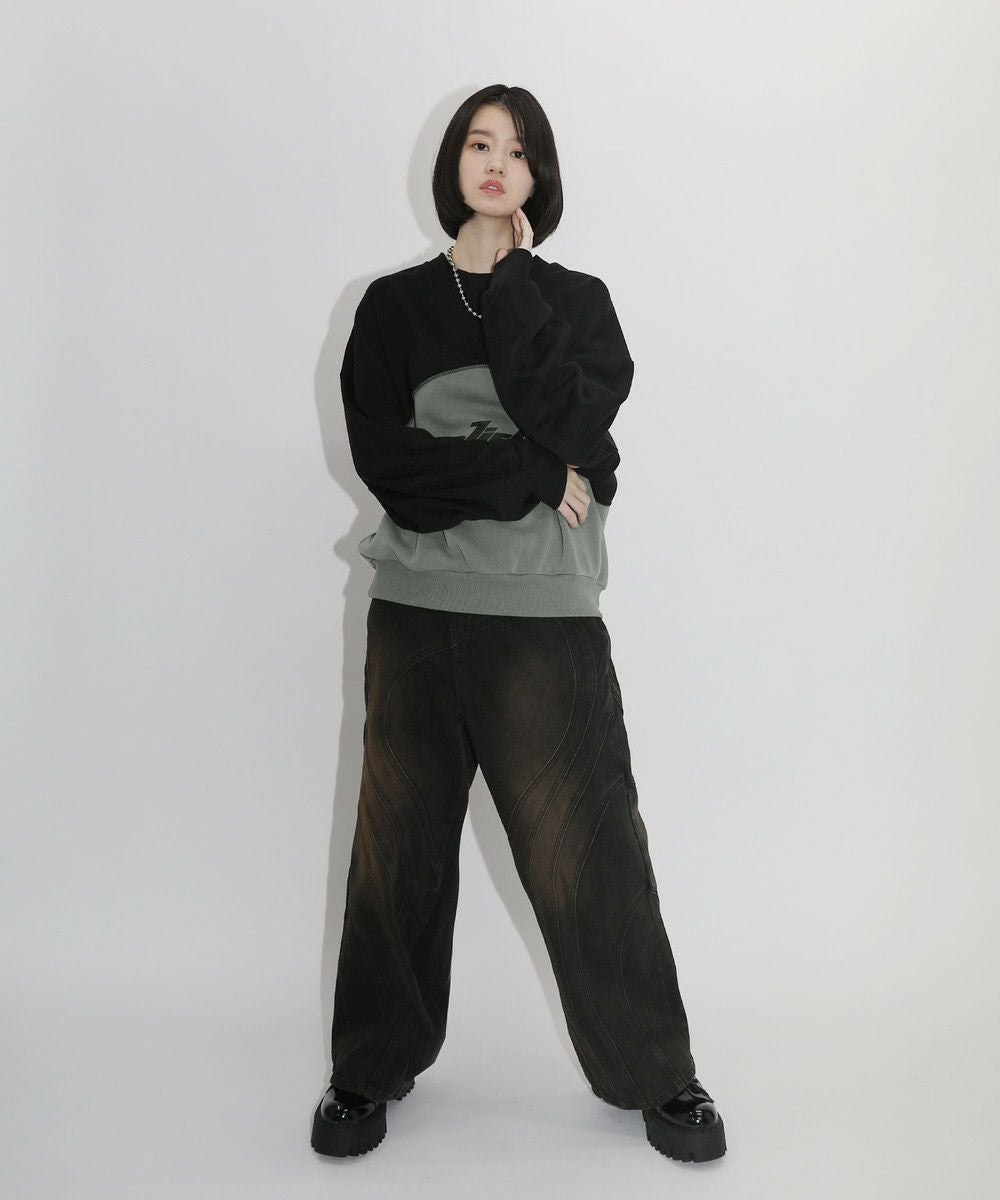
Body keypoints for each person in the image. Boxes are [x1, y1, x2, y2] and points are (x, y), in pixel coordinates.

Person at [310, 83, 727, 1164]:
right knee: (396, 850)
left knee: (589, 850)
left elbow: (581, 427)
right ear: (453, 163)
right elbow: (393, 470)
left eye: (519, 150)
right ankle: (367, 1069)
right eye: (479, 144)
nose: (497, 163)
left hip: (543, 618)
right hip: (415, 614)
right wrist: (532, 474)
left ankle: (655, 1074)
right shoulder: (392, 308)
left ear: (540, 175)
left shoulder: (575, 302)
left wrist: (518, 292)